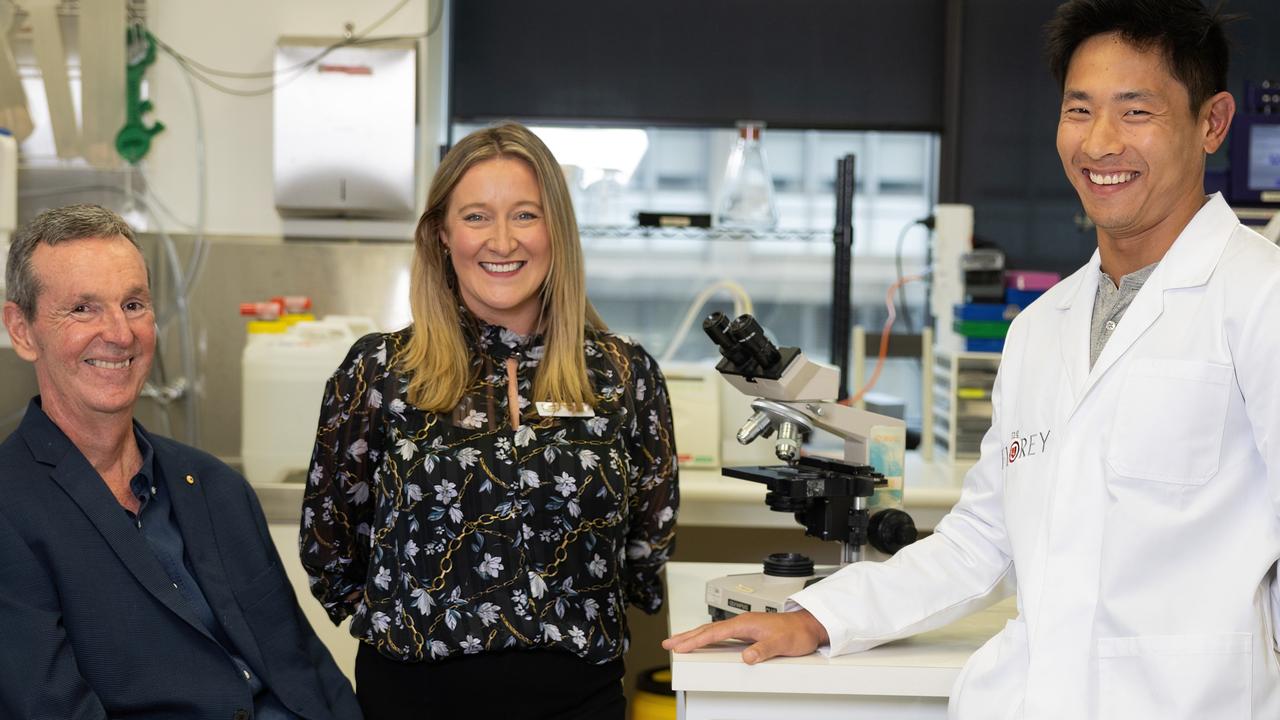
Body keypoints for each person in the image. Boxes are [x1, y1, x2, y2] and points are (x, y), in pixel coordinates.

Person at [666, 1, 1280, 717]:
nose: (1100, 143)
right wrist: (818, 618)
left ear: (1212, 122)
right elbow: (982, 540)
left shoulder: (1259, 297)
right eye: (1079, 110)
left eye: (1135, 112)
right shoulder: (1042, 327)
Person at [301, 122, 679, 720]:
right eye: (477, 216)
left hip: (578, 700)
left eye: (525, 215)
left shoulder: (622, 375)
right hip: (413, 699)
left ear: (557, 231)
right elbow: (330, 544)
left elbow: (648, 545)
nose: (502, 241)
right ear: (442, 236)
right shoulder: (379, 371)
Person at [0, 204, 361, 720]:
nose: (120, 334)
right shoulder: (11, 511)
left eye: (132, 304)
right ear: (23, 329)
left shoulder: (217, 487)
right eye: (83, 308)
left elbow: (309, 668)